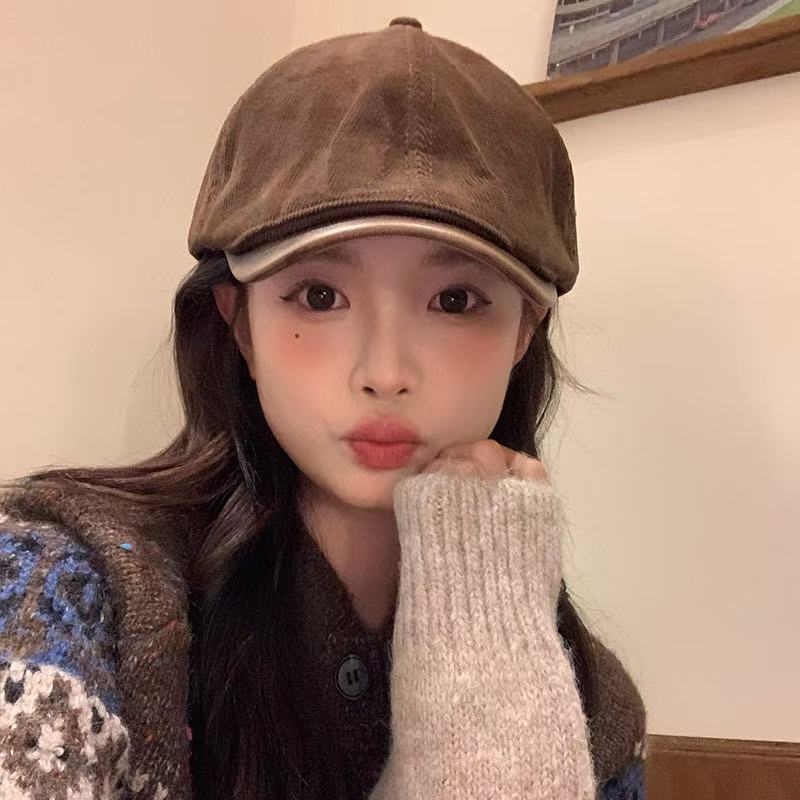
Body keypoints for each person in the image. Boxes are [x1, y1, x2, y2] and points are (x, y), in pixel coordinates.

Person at [0, 16, 647, 800]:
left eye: (454, 299)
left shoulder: (586, 700)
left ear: (524, 330)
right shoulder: (60, 591)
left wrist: (488, 656)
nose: (385, 373)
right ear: (241, 323)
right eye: (318, 294)